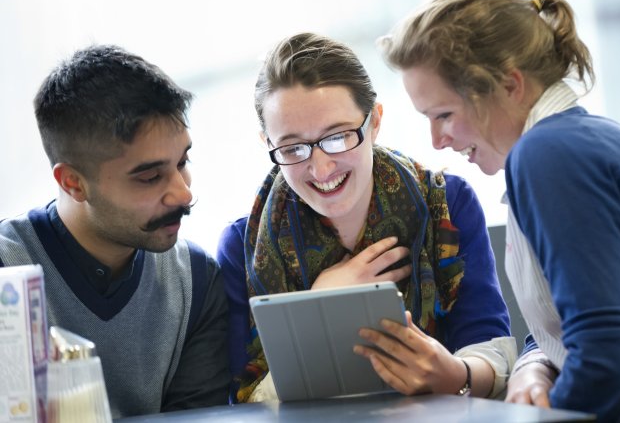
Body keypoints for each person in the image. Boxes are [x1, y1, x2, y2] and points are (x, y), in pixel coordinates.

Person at [379, 0, 620, 421]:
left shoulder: (549, 155)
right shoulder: (575, 140)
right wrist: (534, 365)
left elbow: (611, 354)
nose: (438, 141)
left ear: (510, 85)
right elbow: (575, 319)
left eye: (445, 115)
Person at [217, 32, 516, 403]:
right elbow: (238, 401)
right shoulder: (241, 244)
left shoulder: (448, 202)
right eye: (293, 148)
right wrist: (317, 309)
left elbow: (491, 351)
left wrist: (454, 374)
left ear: (374, 121)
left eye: (338, 137)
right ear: (268, 144)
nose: (321, 168)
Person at [0, 45, 231, 418]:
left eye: (183, 162)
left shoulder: (198, 283)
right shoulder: (6, 272)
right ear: (73, 182)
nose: (183, 192)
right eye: (151, 176)